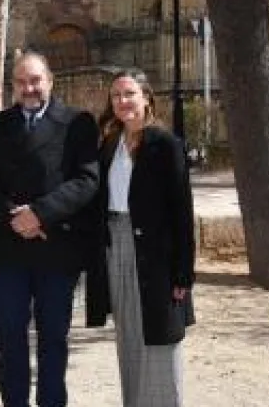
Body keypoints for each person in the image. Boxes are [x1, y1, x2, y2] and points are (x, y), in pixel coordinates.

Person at [0, 52, 99, 407]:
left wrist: (40, 214)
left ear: (50, 81)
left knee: (53, 339)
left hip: (57, 248)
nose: (29, 88)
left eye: (35, 81)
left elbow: (87, 180)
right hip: (11, 247)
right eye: (21, 82)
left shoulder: (78, 123)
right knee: (10, 337)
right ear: (13, 86)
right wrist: (14, 216)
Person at [85, 69, 196, 407]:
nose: (122, 101)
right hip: (115, 244)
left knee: (160, 336)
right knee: (129, 334)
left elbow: (182, 213)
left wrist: (183, 273)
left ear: (146, 97)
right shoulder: (108, 144)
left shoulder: (166, 145)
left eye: (129, 93)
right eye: (116, 95)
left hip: (156, 252)